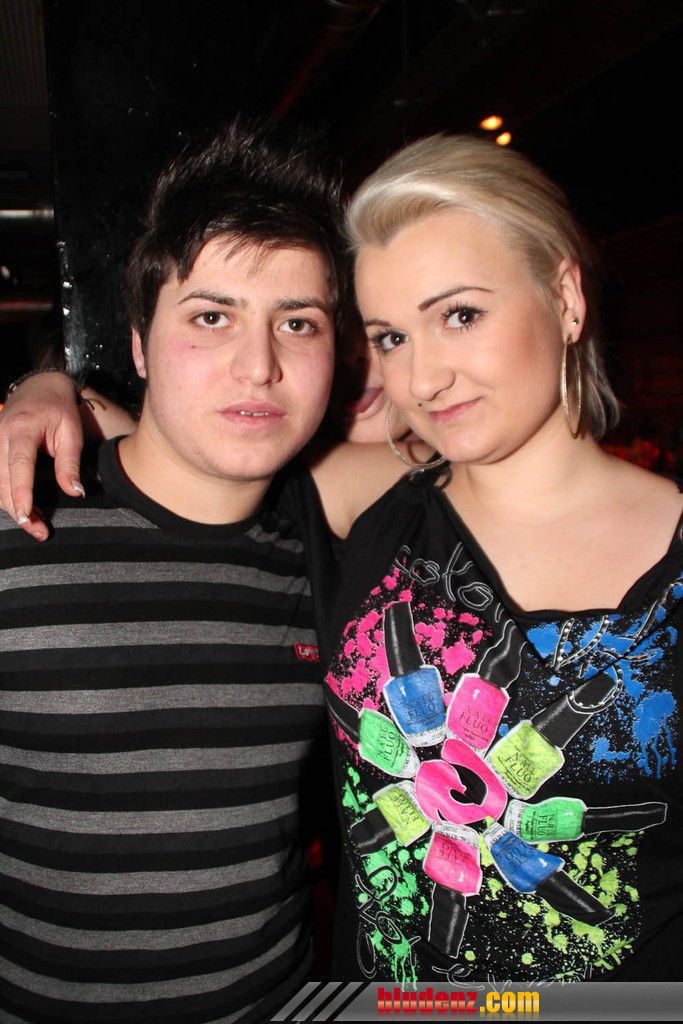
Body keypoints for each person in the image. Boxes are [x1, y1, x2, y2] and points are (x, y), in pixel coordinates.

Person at [2, 135, 682, 985]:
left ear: (566, 299)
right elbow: (189, 450)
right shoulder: (361, 506)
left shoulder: (337, 518)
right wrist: (45, 387)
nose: (424, 378)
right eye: (390, 337)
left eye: (459, 315)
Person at [0, 116, 380, 1024]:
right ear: (138, 342)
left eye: (297, 323)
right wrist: (41, 384)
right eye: (212, 317)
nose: (259, 366)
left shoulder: (332, 544)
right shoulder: (18, 513)